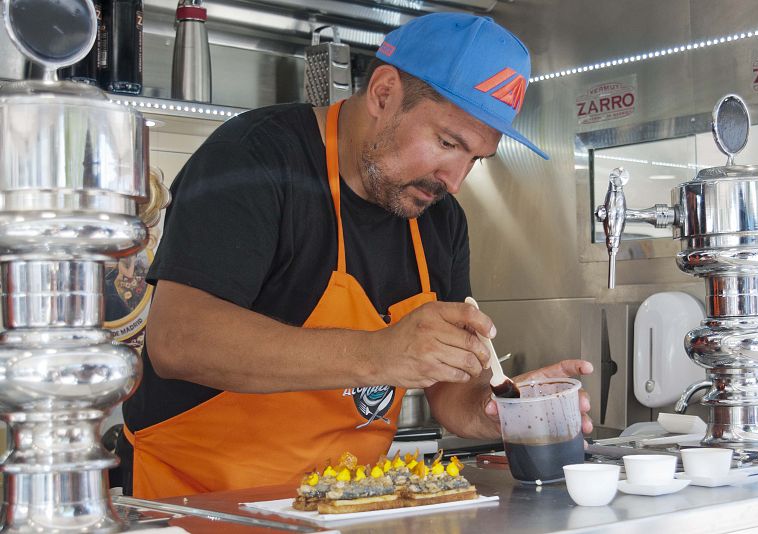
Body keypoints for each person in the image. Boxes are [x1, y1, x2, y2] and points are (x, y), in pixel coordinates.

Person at [118, 12, 594, 499]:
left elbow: (448, 393)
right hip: (196, 503)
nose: (454, 180)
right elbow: (179, 340)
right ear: (384, 93)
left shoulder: (440, 219)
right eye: (448, 143)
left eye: (473, 158)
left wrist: (499, 407)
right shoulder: (256, 156)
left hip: (342, 505)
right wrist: (378, 353)